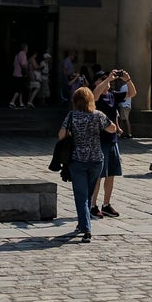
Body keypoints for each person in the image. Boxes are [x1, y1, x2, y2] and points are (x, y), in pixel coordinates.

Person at [58, 85, 115, 243]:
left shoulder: (72, 116)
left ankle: (86, 229)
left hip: (78, 160)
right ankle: (83, 224)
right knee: (88, 195)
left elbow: (61, 135)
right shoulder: (98, 115)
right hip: (96, 160)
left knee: (81, 196)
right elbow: (113, 128)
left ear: (75, 101)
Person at [90, 68, 137, 217]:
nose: (109, 79)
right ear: (97, 81)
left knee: (111, 174)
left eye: (108, 77)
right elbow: (95, 96)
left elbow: (132, 93)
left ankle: (106, 204)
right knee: (98, 175)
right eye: (102, 77)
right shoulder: (95, 95)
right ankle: (92, 205)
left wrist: (127, 79)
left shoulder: (113, 96)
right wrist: (107, 80)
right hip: (99, 141)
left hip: (112, 141)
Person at [9, 43, 29, 108]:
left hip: (16, 73)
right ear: (25, 48)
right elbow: (23, 64)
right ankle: (12, 102)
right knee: (19, 89)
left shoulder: (17, 55)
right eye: (27, 48)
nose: (27, 50)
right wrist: (27, 71)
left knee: (20, 89)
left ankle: (21, 103)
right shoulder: (23, 54)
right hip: (20, 75)